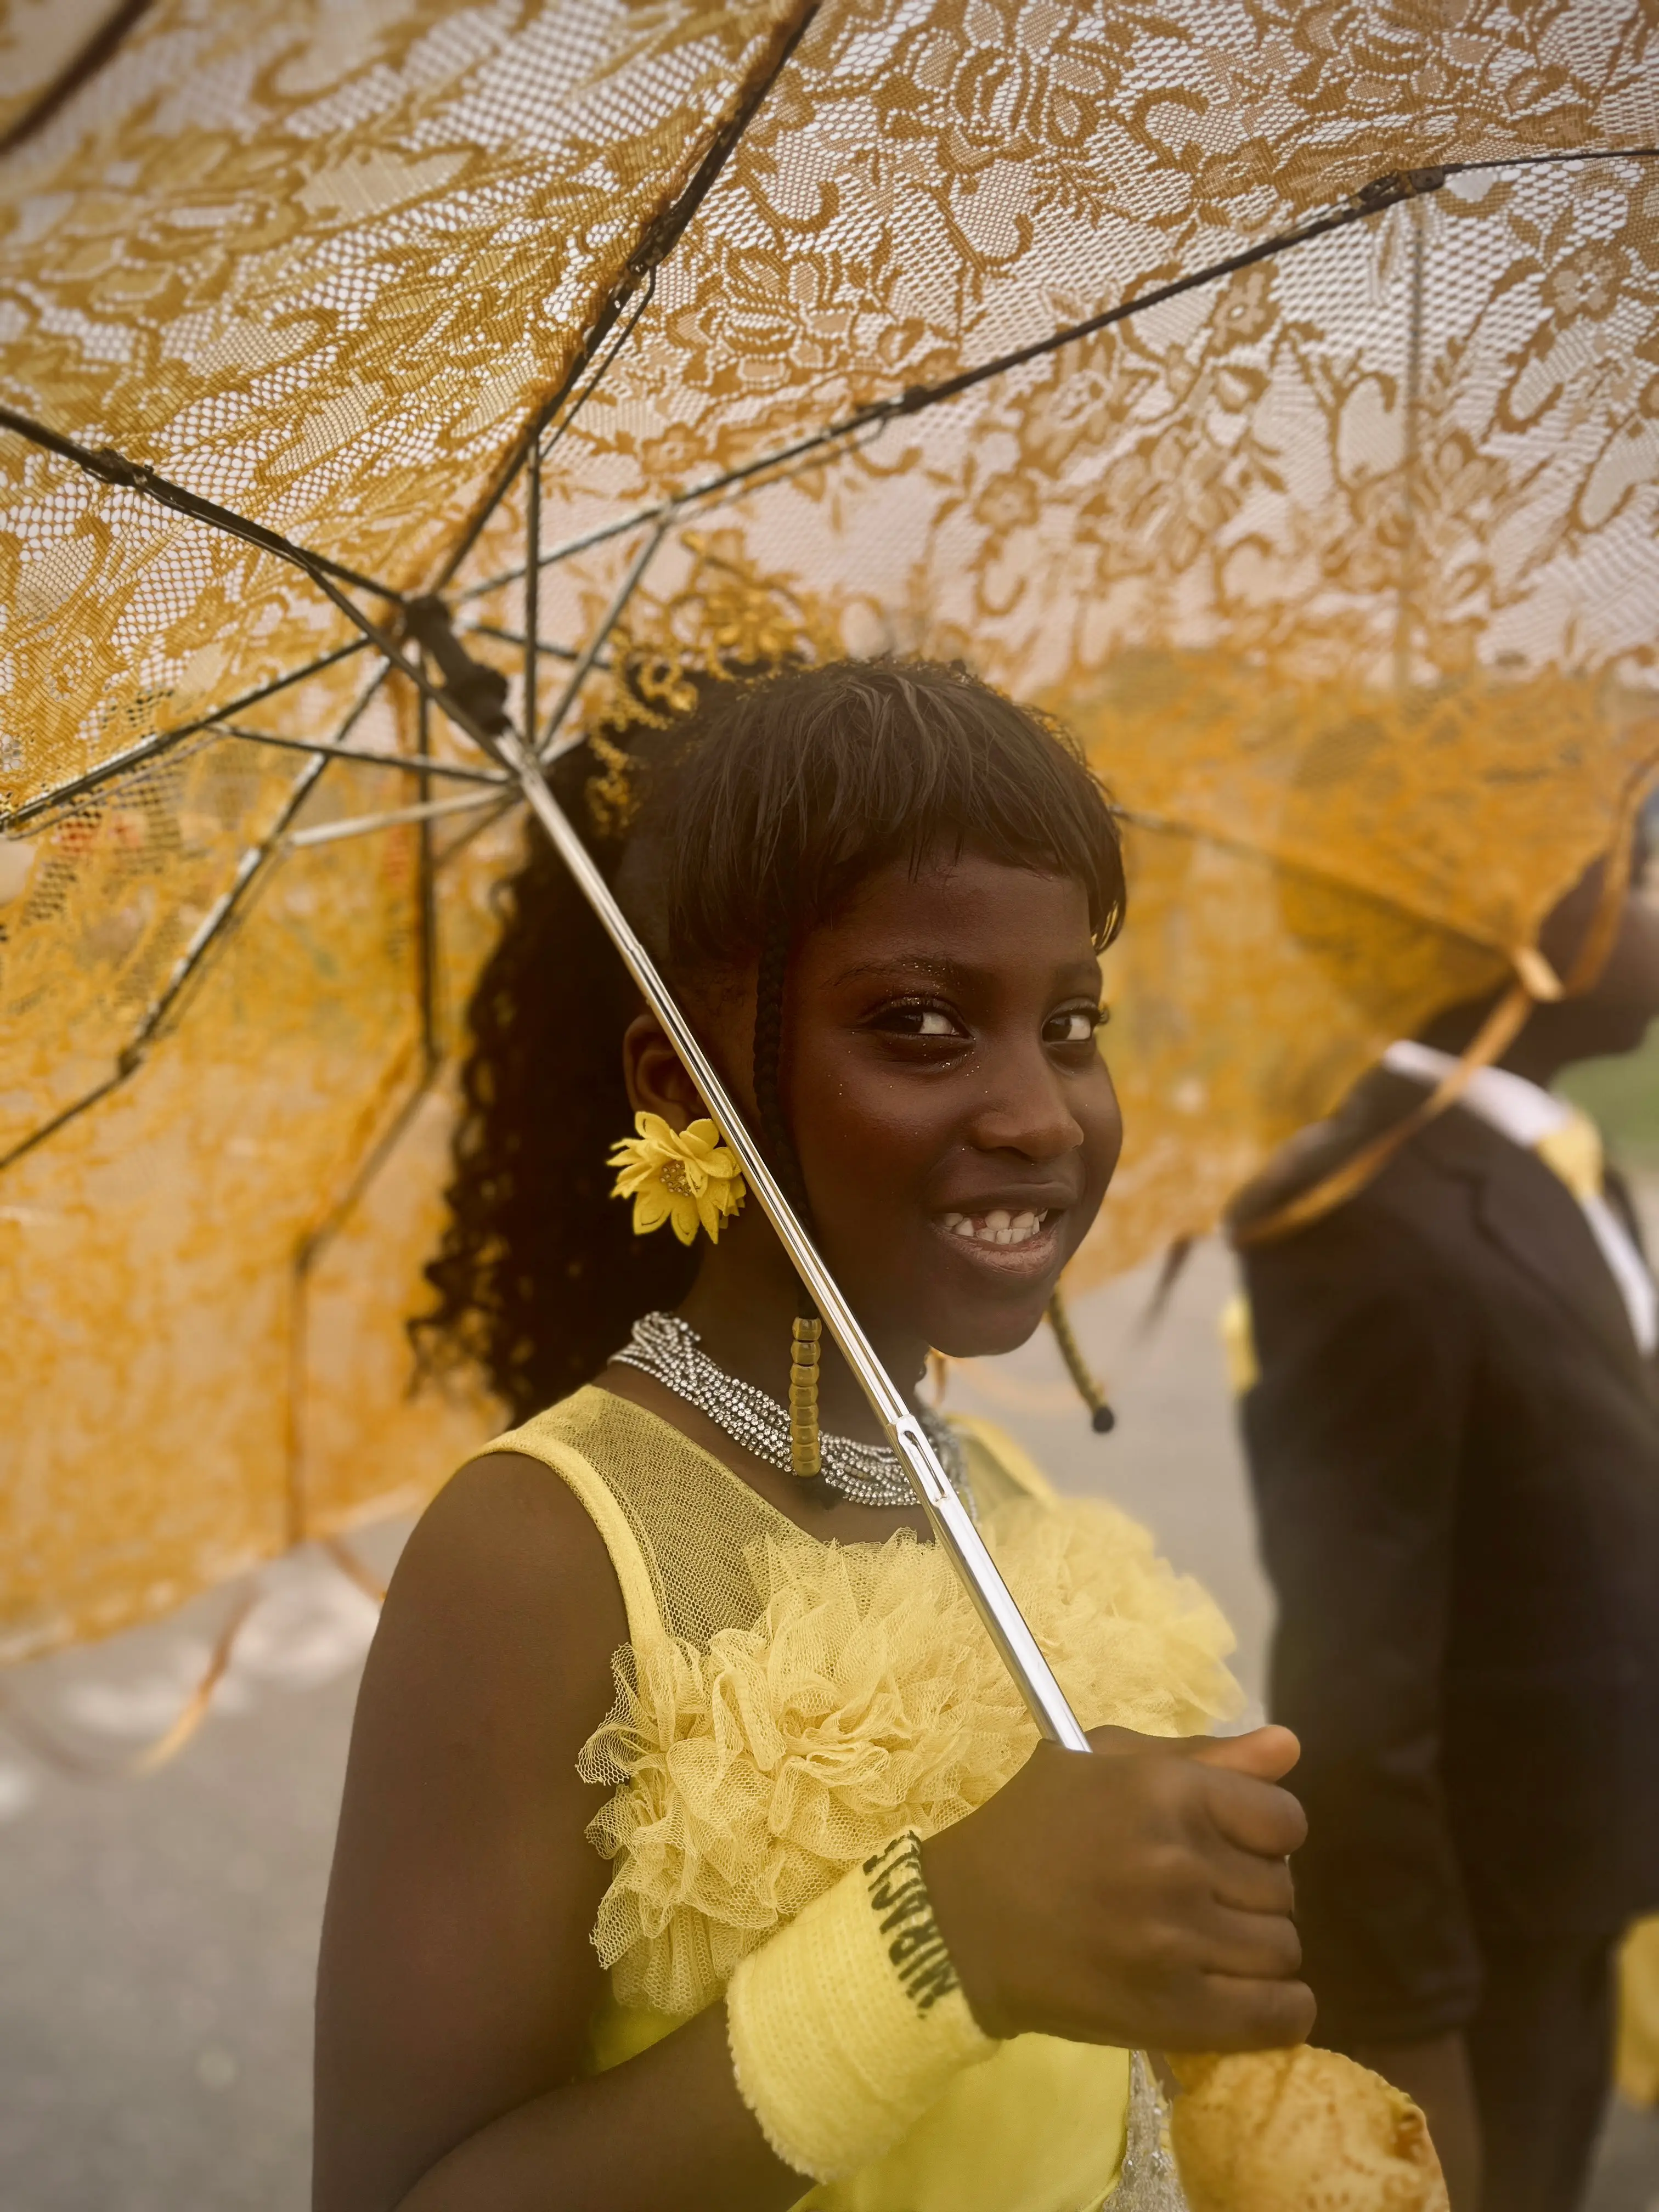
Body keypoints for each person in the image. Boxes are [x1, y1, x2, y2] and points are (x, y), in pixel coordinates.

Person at [310, 658, 1320, 2212]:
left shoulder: (1009, 1495)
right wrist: (946, 1950)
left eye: (1069, 1021)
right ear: (683, 1082)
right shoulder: (542, 1553)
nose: (1042, 1113)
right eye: (920, 1023)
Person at [1229, 834, 1659, 2212]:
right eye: (1637, 866)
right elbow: (1356, 1687)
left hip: (1580, 1886)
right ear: (1508, 920)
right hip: (1477, 1954)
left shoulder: (1544, 1158)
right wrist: (1410, 2042)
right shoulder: (1361, 1213)